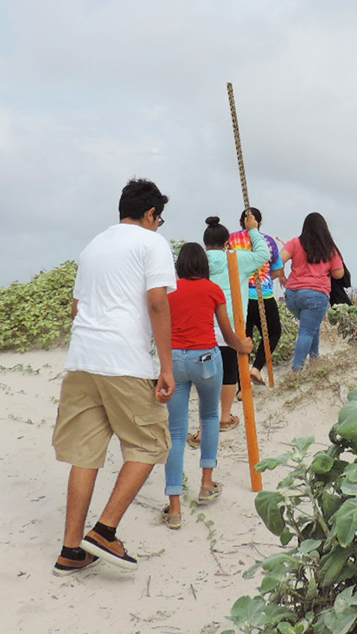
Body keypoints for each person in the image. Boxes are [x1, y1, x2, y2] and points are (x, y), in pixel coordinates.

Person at [51, 178, 175, 574]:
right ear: (151, 214)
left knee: (85, 455)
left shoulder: (93, 246)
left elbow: (76, 307)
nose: (160, 225)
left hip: (82, 360)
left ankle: (71, 550)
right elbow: (157, 303)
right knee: (151, 442)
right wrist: (166, 368)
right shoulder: (152, 243)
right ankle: (105, 531)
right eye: (160, 218)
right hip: (123, 360)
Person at [161, 244, 253, 530]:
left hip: (175, 359)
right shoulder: (213, 289)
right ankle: (206, 483)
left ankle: (174, 507)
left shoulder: (169, 291)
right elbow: (226, 332)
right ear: (203, 265)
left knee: (175, 432)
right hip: (206, 358)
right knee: (210, 417)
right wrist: (244, 345)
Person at [204, 214, 270, 433]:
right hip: (232, 325)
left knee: (208, 375)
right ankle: (224, 416)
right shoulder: (236, 258)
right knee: (230, 371)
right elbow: (264, 254)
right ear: (227, 243)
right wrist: (253, 231)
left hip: (204, 325)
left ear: (205, 244)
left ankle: (207, 420)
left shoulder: (199, 262)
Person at [227, 208, 284, 386]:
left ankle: (240, 384)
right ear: (258, 222)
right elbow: (277, 269)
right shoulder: (267, 241)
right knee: (273, 333)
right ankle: (256, 368)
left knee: (243, 339)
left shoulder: (231, 239)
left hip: (239, 295)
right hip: (263, 296)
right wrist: (265, 278)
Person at [282, 213, 345, 371]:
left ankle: (315, 360)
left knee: (311, 326)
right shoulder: (329, 248)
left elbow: (278, 259)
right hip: (316, 294)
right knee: (307, 330)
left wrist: (282, 275)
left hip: (292, 294)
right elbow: (338, 273)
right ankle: (297, 369)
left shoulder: (295, 243)